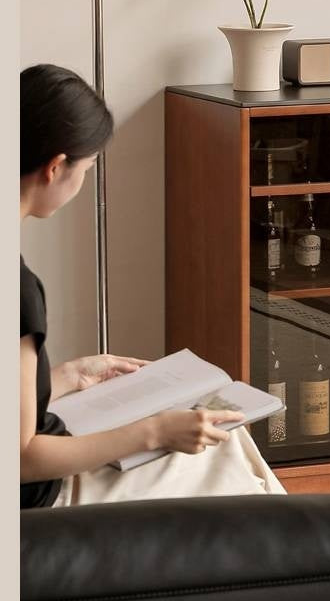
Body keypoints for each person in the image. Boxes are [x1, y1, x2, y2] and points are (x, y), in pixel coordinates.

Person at [20, 63, 285, 507]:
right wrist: (154, 431)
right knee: (226, 450)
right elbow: (21, 458)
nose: (84, 181)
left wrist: (66, 377)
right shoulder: (17, 289)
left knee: (226, 437)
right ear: (55, 167)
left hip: (45, 464)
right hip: (47, 498)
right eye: (87, 167)